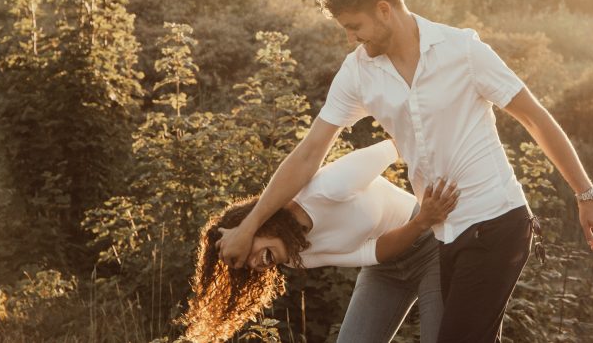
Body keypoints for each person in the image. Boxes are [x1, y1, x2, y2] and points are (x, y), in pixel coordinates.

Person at [219, 0, 593, 342]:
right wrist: (249, 225)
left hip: (496, 219)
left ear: (384, 10)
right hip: (444, 233)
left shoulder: (463, 51)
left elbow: (535, 118)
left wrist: (585, 194)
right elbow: (308, 155)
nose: (351, 39)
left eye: (354, 27)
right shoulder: (358, 72)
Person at [185, 139, 458, 343]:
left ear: (256, 225)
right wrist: (420, 221)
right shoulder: (293, 257)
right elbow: (372, 253)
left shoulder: (331, 187)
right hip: (385, 266)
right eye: (247, 267)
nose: (256, 263)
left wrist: (435, 200)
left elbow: (400, 142)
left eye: (248, 252)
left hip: (431, 246)